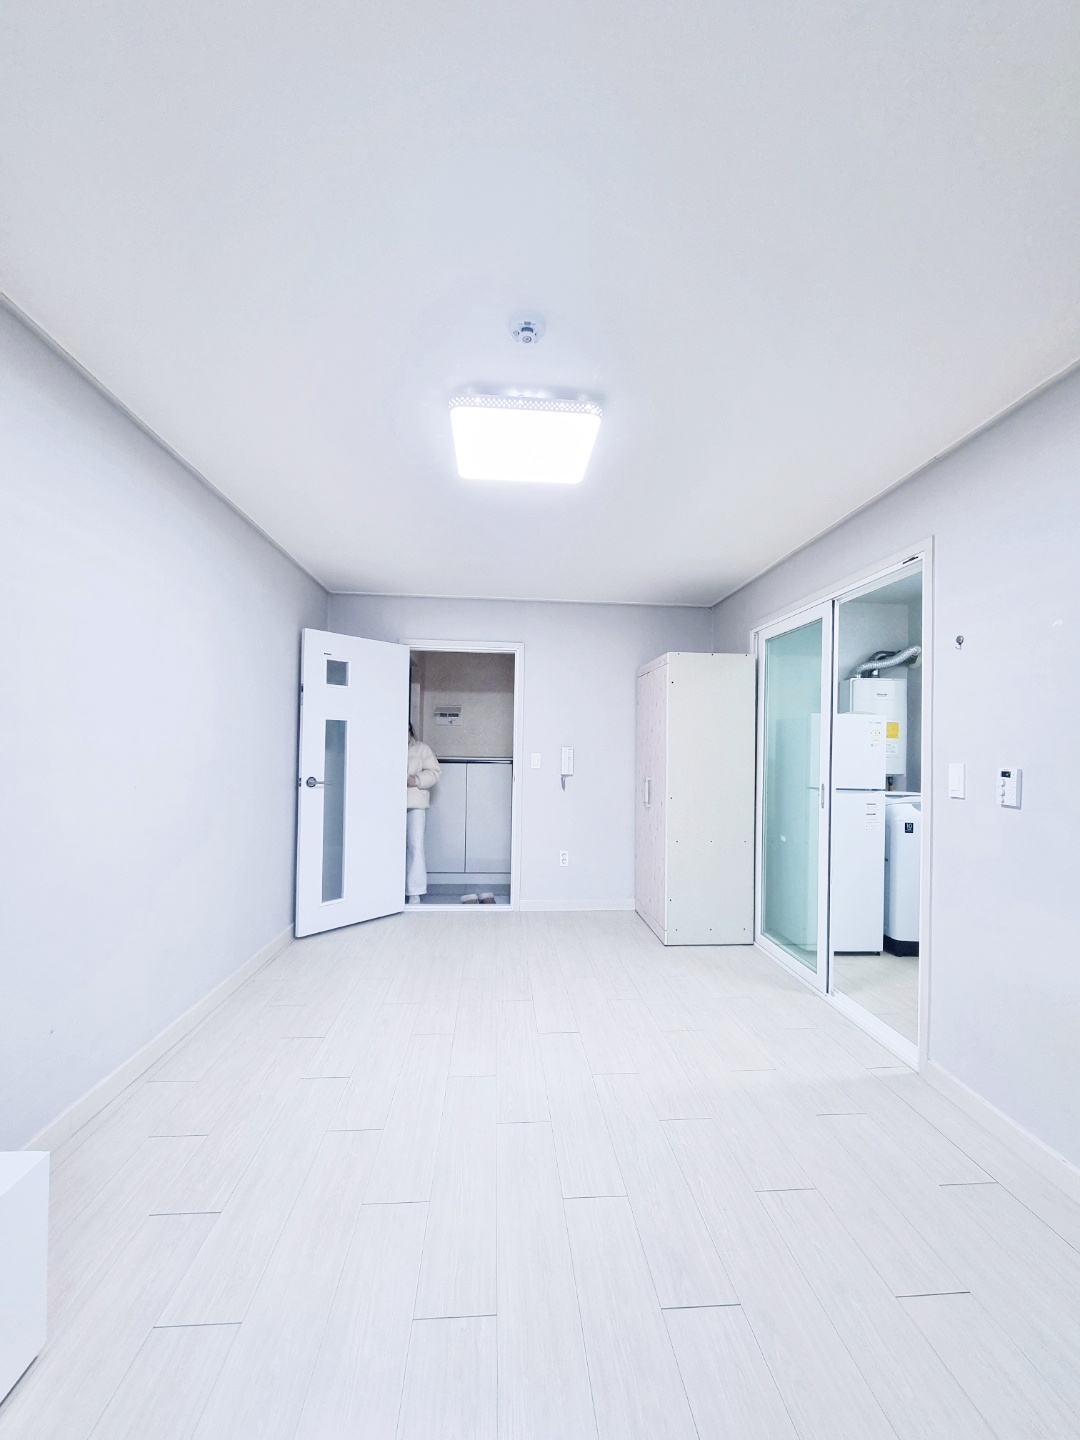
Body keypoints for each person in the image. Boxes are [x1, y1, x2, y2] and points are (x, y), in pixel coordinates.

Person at [406, 723, 441, 905]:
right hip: (388, 804)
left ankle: (415, 892)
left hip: (415, 804)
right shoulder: (385, 745)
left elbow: (435, 772)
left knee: (415, 846)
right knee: (388, 846)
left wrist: (416, 780)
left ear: (410, 730)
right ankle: (388, 891)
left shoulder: (421, 749)